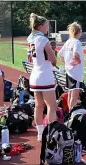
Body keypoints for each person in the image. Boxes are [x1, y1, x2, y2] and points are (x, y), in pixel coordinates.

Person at [27, 13, 57, 141]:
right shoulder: (44, 40)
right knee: (52, 106)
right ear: (39, 26)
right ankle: (50, 133)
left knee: (39, 106)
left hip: (34, 75)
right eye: (46, 25)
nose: (47, 28)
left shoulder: (30, 38)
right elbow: (53, 60)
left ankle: (40, 134)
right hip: (45, 75)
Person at [59, 22, 84, 111]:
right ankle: (72, 114)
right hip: (76, 73)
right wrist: (78, 61)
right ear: (79, 32)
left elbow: (60, 54)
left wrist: (67, 63)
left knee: (70, 93)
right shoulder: (77, 42)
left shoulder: (68, 42)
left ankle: (70, 112)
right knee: (74, 95)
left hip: (69, 72)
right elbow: (76, 54)